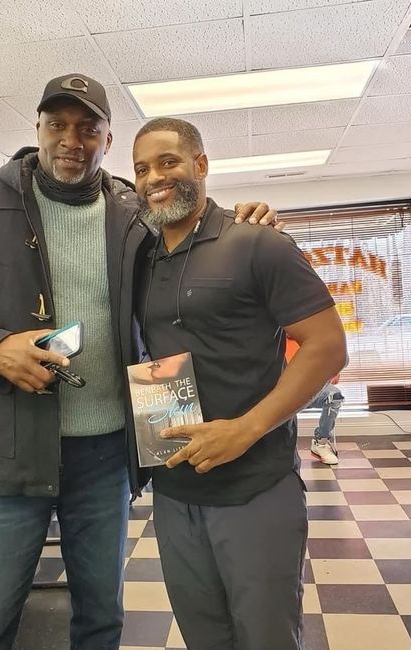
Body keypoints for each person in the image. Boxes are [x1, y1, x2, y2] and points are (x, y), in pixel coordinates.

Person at [0, 74, 279, 650]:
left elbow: (189, 232)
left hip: (106, 451)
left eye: (88, 128)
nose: (70, 140)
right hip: (8, 448)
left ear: (107, 139)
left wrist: (243, 221)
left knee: (102, 616)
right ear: (37, 129)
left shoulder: (133, 206)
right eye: (57, 125)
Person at [131, 117, 347, 650]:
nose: (154, 177)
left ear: (200, 166)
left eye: (168, 161)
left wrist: (246, 429)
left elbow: (327, 347)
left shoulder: (258, 244)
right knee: (205, 636)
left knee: (266, 637)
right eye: (141, 169)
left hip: (256, 487)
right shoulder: (138, 258)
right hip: (175, 488)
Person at [286, 336, 344, 465]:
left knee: (333, 396)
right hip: (283, 393)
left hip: (310, 390)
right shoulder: (274, 339)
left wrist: (332, 371)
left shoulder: (313, 337)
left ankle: (321, 443)